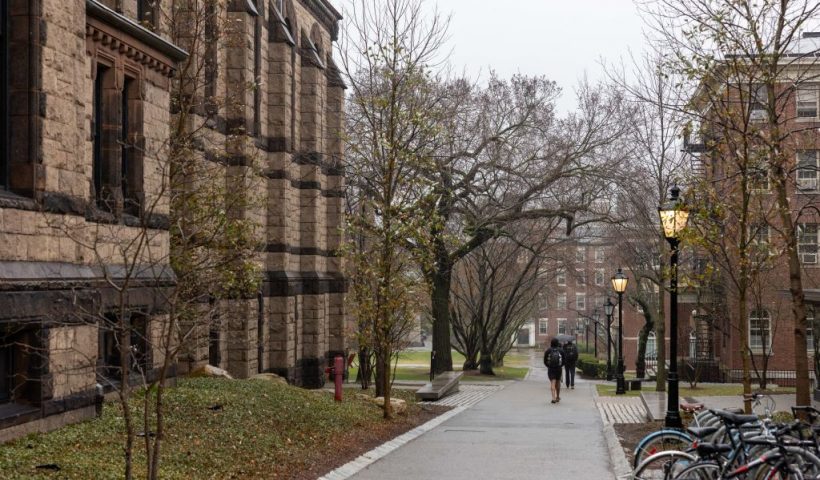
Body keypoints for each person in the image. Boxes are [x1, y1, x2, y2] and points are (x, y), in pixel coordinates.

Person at [543, 338, 564, 404]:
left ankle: (553, 398)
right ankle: (557, 396)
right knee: (558, 383)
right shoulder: (561, 350)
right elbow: (564, 360)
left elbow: (545, 360)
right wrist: (561, 366)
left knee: (553, 382)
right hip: (558, 369)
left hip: (551, 369)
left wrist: (548, 366)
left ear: (551, 343)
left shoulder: (548, 350)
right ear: (557, 343)